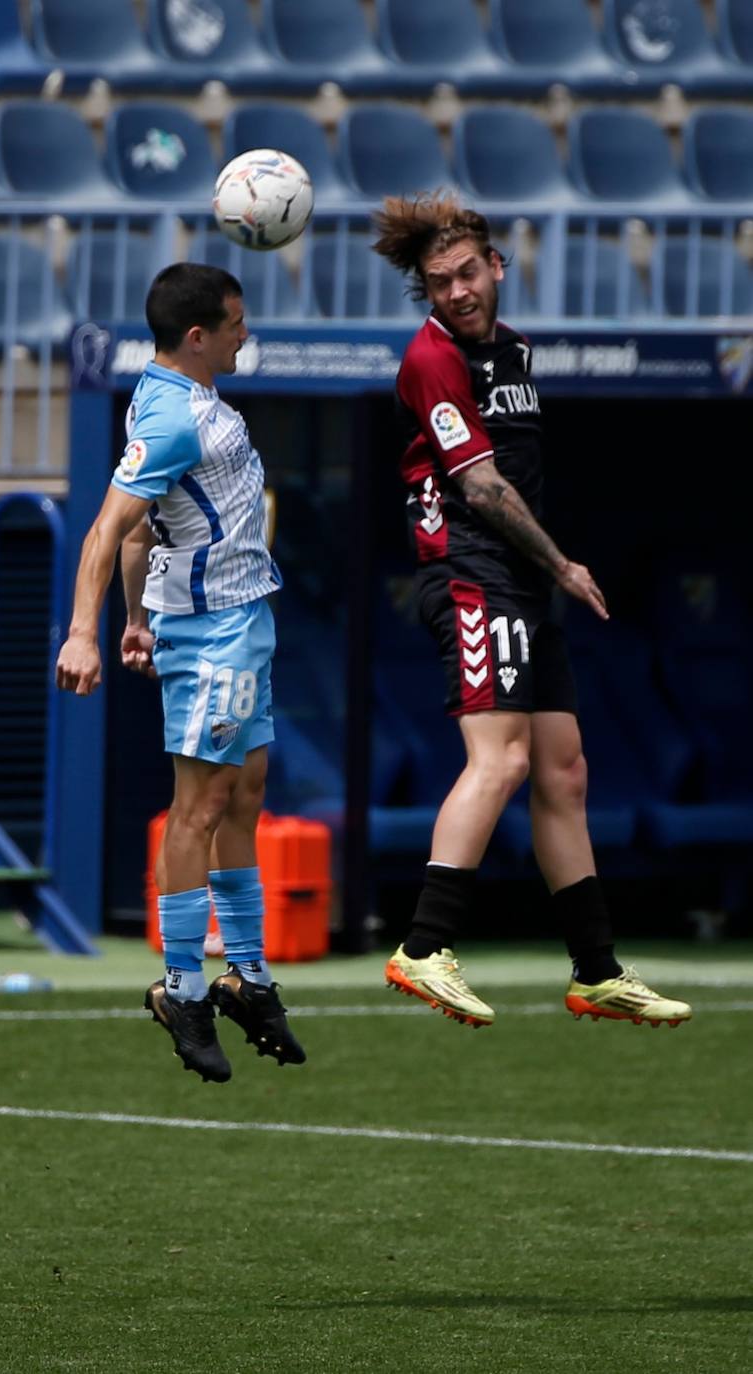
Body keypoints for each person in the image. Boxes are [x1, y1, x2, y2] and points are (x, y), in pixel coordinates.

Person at [371, 193, 691, 1030]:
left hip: (520, 585)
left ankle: (595, 971)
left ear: (496, 266)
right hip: (471, 577)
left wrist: (542, 574)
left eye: (467, 273)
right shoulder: (430, 360)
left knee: (563, 770)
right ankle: (423, 946)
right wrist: (560, 562)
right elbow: (477, 485)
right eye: (438, 282)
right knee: (500, 761)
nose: (456, 292)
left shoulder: (512, 353)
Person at [56, 261, 306, 1082]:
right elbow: (107, 528)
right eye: (236, 322)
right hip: (214, 636)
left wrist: (134, 617)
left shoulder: (174, 401)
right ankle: (183, 991)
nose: (246, 332)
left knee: (246, 792)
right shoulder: (171, 420)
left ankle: (249, 976)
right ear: (196, 336)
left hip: (242, 621)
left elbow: (141, 538)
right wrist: (83, 634)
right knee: (196, 809)